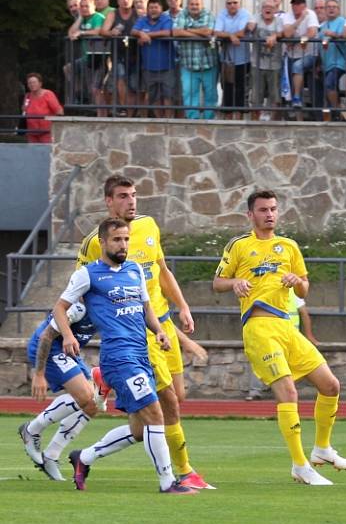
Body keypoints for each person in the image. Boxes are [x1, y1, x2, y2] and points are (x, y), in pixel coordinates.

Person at [77, 174, 214, 490]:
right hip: (136, 335)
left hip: (163, 322)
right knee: (168, 404)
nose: (131, 201)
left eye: (134, 195)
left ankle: (84, 456)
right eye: (123, 196)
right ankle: (183, 472)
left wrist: (183, 307)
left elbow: (162, 270)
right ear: (109, 201)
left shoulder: (149, 226)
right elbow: (82, 290)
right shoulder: (94, 242)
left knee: (152, 421)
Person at [213, 190, 346, 485]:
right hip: (259, 328)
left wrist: (297, 281)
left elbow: (304, 288)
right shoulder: (239, 246)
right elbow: (217, 282)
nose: (269, 214)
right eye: (263, 209)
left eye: (273, 209)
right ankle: (300, 465)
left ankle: (322, 448)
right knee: (288, 392)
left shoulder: (288, 246)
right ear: (250, 215)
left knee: (330, 385)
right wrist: (235, 282)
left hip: (287, 329)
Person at [59, 218, 195, 494]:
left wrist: (159, 331)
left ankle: (83, 458)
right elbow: (60, 308)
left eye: (126, 239)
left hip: (142, 355)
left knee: (138, 429)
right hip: (119, 358)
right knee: (156, 414)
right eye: (117, 240)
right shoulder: (88, 274)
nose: (123, 245)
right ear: (103, 243)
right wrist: (68, 335)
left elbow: (147, 310)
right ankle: (168, 482)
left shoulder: (134, 271)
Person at [19, 302, 102, 481]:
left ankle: (51, 456)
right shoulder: (79, 308)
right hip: (49, 349)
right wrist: (39, 374)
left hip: (68, 352)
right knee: (86, 396)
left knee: (92, 404)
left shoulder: (107, 306)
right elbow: (45, 336)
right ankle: (32, 429)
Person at [246, 289, 319, 400]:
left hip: (289, 337)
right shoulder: (269, 291)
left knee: (279, 365)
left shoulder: (292, 291)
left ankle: (265, 391)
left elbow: (304, 314)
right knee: (265, 361)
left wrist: (309, 336)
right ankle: (257, 390)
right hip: (272, 335)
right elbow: (304, 313)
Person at [174, 0, 218, 120]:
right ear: (187, 5)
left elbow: (208, 32)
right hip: (188, 65)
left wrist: (187, 29)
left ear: (202, 5)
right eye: (192, 4)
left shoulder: (208, 14)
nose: (194, 7)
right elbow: (176, 31)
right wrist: (199, 32)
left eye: (197, 4)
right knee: (189, 94)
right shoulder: (182, 14)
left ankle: (209, 120)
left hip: (208, 63)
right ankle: (193, 120)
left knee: (210, 95)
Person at [131, 0, 176, 118]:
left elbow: (167, 32)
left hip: (166, 66)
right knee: (153, 97)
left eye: (156, 7)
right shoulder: (143, 19)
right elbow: (133, 31)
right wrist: (141, 33)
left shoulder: (166, 19)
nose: (153, 10)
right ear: (147, 9)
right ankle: (159, 120)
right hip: (148, 66)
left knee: (168, 96)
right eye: (151, 7)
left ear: (161, 9)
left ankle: (168, 121)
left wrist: (147, 35)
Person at [213, 0, 255, 120]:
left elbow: (242, 33)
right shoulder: (221, 14)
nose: (232, 5)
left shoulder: (245, 14)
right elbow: (216, 32)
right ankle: (228, 119)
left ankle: (239, 120)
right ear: (226, 4)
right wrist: (231, 36)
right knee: (227, 89)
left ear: (239, 3)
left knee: (241, 90)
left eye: (235, 2)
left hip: (242, 60)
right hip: (226, 60)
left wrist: (228, 35)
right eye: (229, 3)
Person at [100, 0, 139, 114]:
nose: (125, 1)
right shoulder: (113, 14)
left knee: (133, 85)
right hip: (118, 53)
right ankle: (123, 107)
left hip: (135, 53)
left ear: (132, 0)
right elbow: (103, 31)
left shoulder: (138, 14)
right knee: (120, 78)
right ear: (118, 1)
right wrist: (111, 32)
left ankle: (131, 114)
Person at [282, 0, 319, 119]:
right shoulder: (287, 15)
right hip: (292, 55)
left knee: (297, 67)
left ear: (304, 6)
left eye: (299, 4)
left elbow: (312, 32)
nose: (296, 6)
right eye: (294, 4)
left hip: (310, 54)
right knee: (293, 87)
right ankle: (299, 120)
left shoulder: (311, 14)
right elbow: (287, 34)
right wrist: (300, 19)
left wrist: (297, 40)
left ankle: (297, 98)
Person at [250, 0, 284, 120]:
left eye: (270, 7)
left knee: (274, 95)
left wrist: (274, 36)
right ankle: (255, 121)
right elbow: (250, 27)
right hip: (257, 63)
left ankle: (274, 122)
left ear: (275, 10)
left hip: (274, 64)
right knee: (256, 95)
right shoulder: (256, 17)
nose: (267, 9)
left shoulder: (279, 20)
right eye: (265, 6)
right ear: (261, 9)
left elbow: (282, 33)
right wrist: (251, 26)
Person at [318, 0, 346, 120]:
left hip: (339, 62)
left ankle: (341, 112)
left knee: (329, 84)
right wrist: (318, 63)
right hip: (326, 63)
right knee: (332, 89)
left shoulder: (343, 22)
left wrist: (333, 35)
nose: (331, 9)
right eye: (328, 7)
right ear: (325, 10)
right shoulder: (322, 26)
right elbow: (320, 45)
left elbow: (345, 37)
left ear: (338, 10)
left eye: (334, 7)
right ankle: (341, 116)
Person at [21, 73, 63, 143]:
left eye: (34, 82)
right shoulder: (27, 96)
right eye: (29, 83)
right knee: (33, 152)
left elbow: (59, 111)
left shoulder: (48, 94)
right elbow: (24, 111)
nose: (32, 85)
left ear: (40, 84)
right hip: (31, 132)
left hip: (46, 132)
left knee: (46, 152)